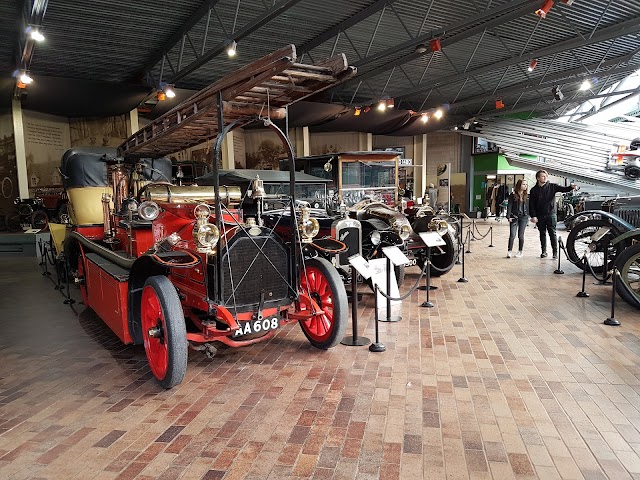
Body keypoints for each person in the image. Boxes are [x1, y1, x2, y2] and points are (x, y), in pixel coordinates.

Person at [529, 170, 576, 259]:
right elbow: (531, 204)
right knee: (542, 233)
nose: (545, 177)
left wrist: (571, 187)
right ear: (538, 178)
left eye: (546, 176)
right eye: (543, 176)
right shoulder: (533, 190)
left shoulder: (552, 186)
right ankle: (544, 251)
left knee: (552, 233)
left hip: (551, 214)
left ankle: (555, 252)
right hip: (540, 215)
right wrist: (533, 216)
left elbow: (564, 189)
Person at [506, 179, 529, 258]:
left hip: (524, 217)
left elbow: (530, 207)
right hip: (514, 216)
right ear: (519, 185)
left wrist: (531, 216)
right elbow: (509, 205)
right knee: (512, 234)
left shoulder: (527, 196)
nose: (525, 186)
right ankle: (509, 251)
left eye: (526, 185)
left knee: (521, 235)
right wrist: (508, 216)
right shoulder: (512, 195)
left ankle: (520, 251)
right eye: (523, 184)